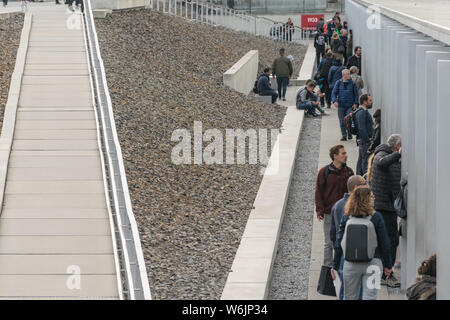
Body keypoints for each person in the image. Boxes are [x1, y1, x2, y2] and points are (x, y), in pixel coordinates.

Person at [331, 185, 393, 300]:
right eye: (372, 197)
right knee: (370, 297)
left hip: (350, 264)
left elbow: (338, 242)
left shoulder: (347, 217)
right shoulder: (376, 217)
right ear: (367, 199)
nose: (374, 199)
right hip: (373, 263)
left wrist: (334, 266)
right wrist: (388, 265)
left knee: (349, 297)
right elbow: (385, 243)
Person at [315, 145, 354, 269]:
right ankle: (327, 267)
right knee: (329, 242)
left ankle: (343, 264)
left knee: (345, 240)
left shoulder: (349, 172)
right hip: (328, 213)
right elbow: (318, 192)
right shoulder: (324, 172)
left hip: (346, 212)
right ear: (335, 156)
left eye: (345, 153)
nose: (345, 155)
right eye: (343, 153)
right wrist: (319, 210)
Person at [370, 134, 402, 287]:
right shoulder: (381, 154)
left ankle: (385, 272)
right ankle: (386, 274)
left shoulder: (386, 154)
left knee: (388, 239)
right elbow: (383, 163)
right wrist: (398, 154)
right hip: (384, 206)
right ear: (397, 146)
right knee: (390, 240)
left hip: (388, 205)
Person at [330, 175, 366, 300]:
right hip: (359, 254)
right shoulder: (360, 208)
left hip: (343, 255)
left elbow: (333, 235)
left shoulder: (337, 206)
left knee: (345, 290)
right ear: (356, 188)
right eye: (364, 184)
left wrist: (334, 262)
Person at [331, 69, 359, 141]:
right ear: (343, 75)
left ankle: (349, 133)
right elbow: (334, 93)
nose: (349, 75)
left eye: (349, 74)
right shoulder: (338, 83)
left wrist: (356, 103)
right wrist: (334, 101)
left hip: (350, 106)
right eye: (348, 74)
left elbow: (356, 95)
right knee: (342, 121)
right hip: (341, 106)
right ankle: (344, 135)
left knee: (349, 120)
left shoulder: (353, 84)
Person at [354, 94, 374, 176]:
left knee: (361, 160)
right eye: (370, 100)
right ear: (364, 102)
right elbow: (361, 128)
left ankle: (358, 178)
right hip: (364, 141)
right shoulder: (361, 113)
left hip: (363, 141)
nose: (372, 102)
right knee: (365, 161)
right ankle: (364, 180)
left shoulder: (363, 112)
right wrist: (368, 141)